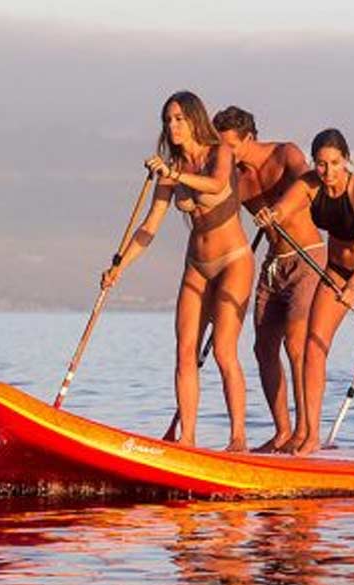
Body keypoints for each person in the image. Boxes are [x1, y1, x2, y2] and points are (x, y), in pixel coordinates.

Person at [101, 91, 254, 451]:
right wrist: (119, 263)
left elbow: (216, 185)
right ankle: (186, 439)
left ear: (194, 119)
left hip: (234, 261)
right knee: (185, 351)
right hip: (196, 266)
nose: (172, 126)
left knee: (223, 351)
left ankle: (237, 439)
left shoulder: (220, 153)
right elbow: (149, 226)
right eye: (168, 120)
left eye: (179, 119)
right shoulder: (170, 171)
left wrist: (172, 172)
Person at [255, 129, 354, 459]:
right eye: (321, 164)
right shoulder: (310, 185)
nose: (328, 172)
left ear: (345, 160)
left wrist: (353, 288)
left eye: (334, 163)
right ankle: (310, 435)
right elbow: (284, 207)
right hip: (337, 268)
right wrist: (272, 215)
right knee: (313, 344)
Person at [213, 105, 322, 454]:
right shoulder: (236, 179)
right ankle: (282, 431)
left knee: (296, 344)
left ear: (248, 138)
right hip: (273, 263)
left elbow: (310, 182)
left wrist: (278, 210)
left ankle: (306, 432)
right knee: (263, 349)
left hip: (307, 257)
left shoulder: (285, 153)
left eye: (229, 146)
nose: (223, 154)